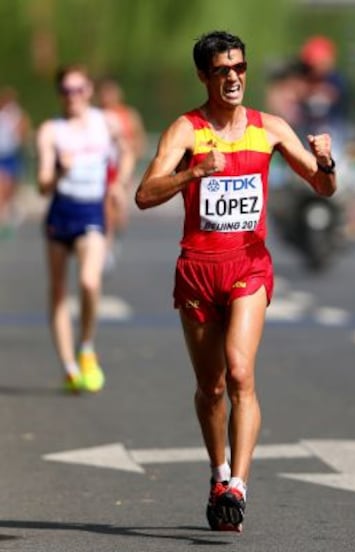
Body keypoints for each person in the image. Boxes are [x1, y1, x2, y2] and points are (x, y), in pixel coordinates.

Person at [135, 31, 336, 532]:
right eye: (222, 70)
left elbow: (323, 186)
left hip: (248, 267)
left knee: (241, 372)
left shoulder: (269, 128)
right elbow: (143, 194)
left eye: (240, 68)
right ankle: (217, 472)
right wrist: (193, 173)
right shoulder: (186, 130)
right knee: (212, 386)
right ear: (204, 75)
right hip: (198, 270)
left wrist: (327, 160)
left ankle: (238, 487)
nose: (233, 78)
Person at [36, 65, 133, 393]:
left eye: (78, 89)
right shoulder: (51, 130)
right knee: (59, 291)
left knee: (89, 282)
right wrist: (60, 170)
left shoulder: (105, 122)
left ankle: (86, 347)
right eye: (66, 91)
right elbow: (42, 186)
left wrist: (119, 182)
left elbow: (128, 151)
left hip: (92, 209)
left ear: (89, 90)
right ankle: (68, 366)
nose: (72, 96)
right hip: (61, 212)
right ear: (59, 95)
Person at [96, 76, 147, 271]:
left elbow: (138, 138)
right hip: (102, 167)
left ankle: (114, 235)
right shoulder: (96, 115)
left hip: (123, 167)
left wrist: (132, 153)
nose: (108, 97)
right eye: (105, 93)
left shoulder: (128, 115)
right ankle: (105, 247)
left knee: (119, 209)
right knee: (106, 206)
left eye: (111, 92)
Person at [0, 86, 31, 237]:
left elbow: (23, 131)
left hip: (12, 154)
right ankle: (2, 218)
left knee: (11, 187)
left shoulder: (17, 115)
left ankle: (8, 211)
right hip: (1, 156)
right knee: (2, 186)